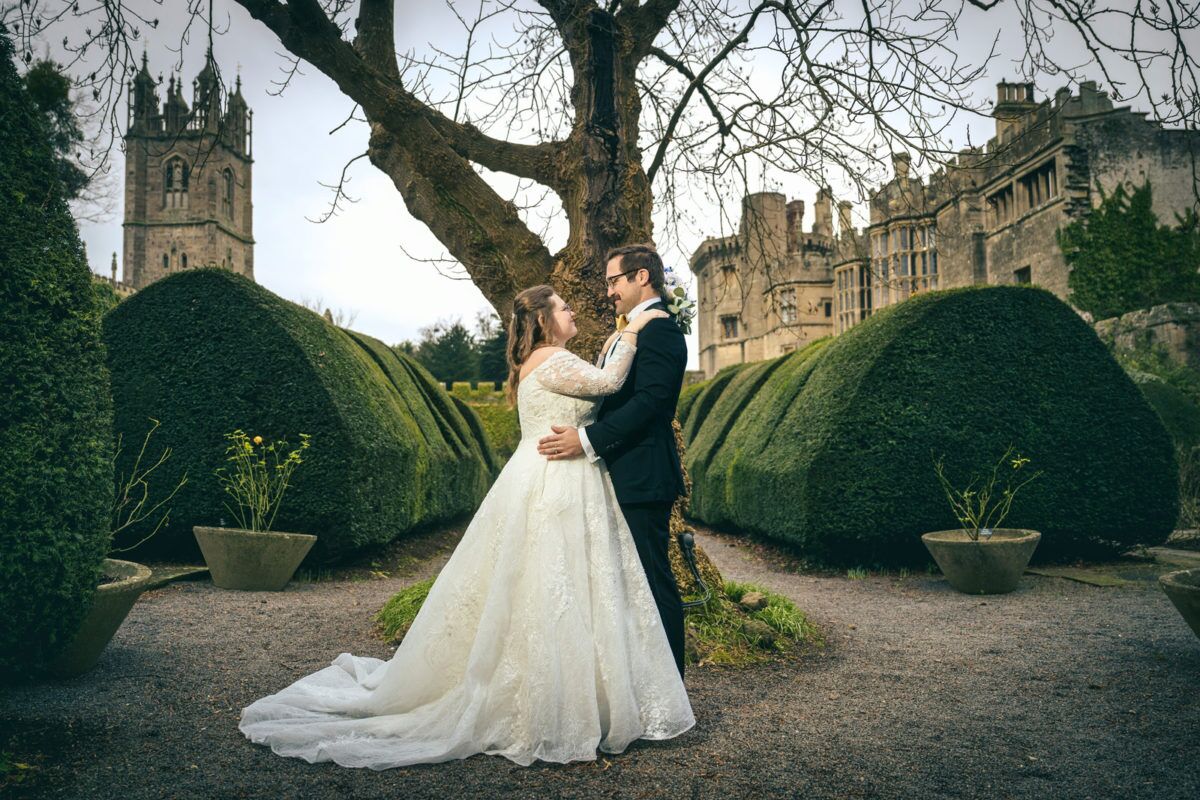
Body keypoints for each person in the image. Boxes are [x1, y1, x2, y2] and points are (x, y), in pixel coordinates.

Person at [239, 284, 694, 769]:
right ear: (543, 320)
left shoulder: (544, 359)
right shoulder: (550, 358)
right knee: (553, 585)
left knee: (557, 587)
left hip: (554, 476)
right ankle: (550, 706)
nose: (573, 310)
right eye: (564, 308)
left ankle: (577, 700)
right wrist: (633, 330)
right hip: (555, 482)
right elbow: (608, 384)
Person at [537, 244, 689, 677]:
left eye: (613, 281)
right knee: (625, 588)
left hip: (643, 477)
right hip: (618, 473)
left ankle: (669, 688)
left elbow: (653, 403)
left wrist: (587, 439)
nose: (608, 292)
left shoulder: (660, 329)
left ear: (641, 277)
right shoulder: (630, 329)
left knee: (652, 583)